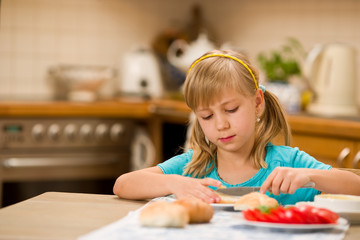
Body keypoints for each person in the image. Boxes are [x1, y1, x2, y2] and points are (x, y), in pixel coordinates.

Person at [113, 49, 360, 205]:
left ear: (257, 103)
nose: (221, 124)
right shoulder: (192, 168)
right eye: (207, 116)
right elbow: (123, 184)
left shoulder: (289, 164)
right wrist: (173, 183)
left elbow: (356, 187)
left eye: (231, 110)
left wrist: (311, 177)